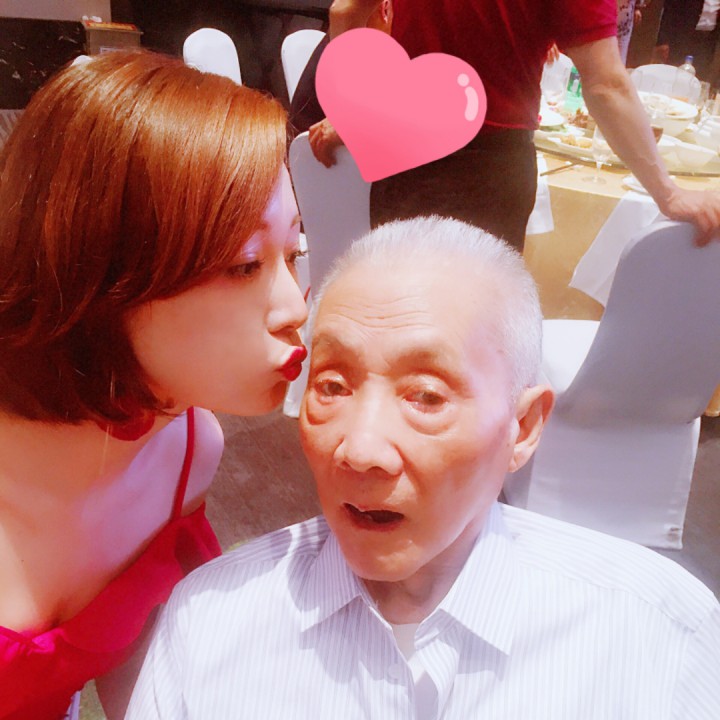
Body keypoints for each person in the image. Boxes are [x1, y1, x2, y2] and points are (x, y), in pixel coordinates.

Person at [127, 216, 720, 719]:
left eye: (426, 397)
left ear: (522, 428)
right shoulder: (211, 625)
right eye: (331, 386)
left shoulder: (657, 638)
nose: (359, 449)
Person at [0, 50, 308, 720]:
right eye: (246, 264)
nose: (295, 307)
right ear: (100, 269)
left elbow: (141, 670)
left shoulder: (188, 448)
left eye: (295, 253)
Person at [309, 0, 720, 250]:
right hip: (489, 168)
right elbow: (605, 84)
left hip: (404, 152)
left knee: (399, 315)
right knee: (468, 336)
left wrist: (354, 112)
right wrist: (668, 193)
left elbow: (345, 11)